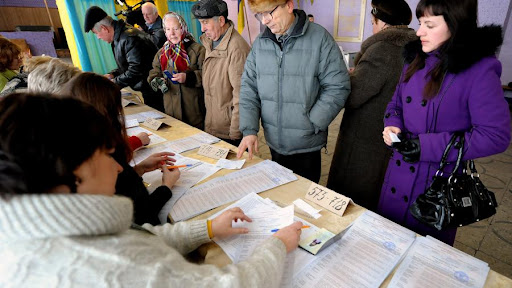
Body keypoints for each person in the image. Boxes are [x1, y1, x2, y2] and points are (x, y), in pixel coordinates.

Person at [0, 93, 304, 287]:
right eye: (106, 155)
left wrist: (208, 227)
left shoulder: (33, 227)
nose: (119, 168)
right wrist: (276, 245)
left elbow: (137, 235)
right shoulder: (119, 268)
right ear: (73, 169)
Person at [379, 0, 511, 245]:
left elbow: (496, 135)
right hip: (397, 174)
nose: (419, 32)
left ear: (455, 25)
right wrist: (393, 123)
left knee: (422, 259)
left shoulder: (479, 70)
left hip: (436, 184)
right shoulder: (414, 58)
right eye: (420, 23)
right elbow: (395, 103)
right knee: (387, 243)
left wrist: (426, 146)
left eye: (429, 25)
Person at [238, 0, 350, 183]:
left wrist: (313, 122)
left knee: (304, 202)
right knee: (280, 196)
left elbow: (338, 85)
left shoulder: (319, 38)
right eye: (260, 15)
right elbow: (249, 88)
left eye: (269, 13)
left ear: (289, 6)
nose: (264, 20)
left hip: (306, 144)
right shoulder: (260, 44)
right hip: (273, 141)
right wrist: (249, 130)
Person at [327, 0, 417, 211]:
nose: (372, 27)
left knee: (353, 192)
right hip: (391, 129)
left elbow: (354, 95)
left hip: (365, 136)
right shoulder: (412, 48)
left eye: (373, 22)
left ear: (382, 22)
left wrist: (346, 80)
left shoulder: (382, 50)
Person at [61, 72, 177, 225]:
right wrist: (167, 186)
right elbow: (140, 213)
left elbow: (121, 187)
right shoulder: (102, 153)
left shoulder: (72, 147)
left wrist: (138, 169)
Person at [192, 0, 250, 146]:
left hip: (229, 131)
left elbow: (242, 95)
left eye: (205, 22)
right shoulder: (210, 42)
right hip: (214, 125)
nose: (202, 29)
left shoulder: (237, 48)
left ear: (221, 20)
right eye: (200, 23)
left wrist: (236, 132)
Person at [84, 6, 164, 112]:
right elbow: (126, 65)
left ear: (104, 28)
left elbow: (136, 70)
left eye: (96, 33)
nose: (98, 37)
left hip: (154, 90)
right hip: (146, 89)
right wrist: (113, 74)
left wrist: (113, 83)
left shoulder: (129, 38)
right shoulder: (120, 36)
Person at [148, 12, 206, 130]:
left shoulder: (198, 50)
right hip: (171, 110)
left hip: (194, 111)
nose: (172, 33)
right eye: (168, 29)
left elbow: (208, 74)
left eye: (175, 28)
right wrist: (156, 80)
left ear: (183, 28)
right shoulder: (161, 53)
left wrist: (188, 77)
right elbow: (155, 71)